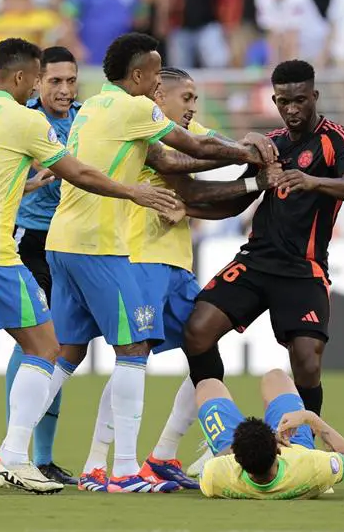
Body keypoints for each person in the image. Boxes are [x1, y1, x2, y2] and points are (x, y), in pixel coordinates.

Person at [0, 37, 179, 496]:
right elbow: (82, 173)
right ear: (18, 77)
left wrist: (25, 184)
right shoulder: (26, 119)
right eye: (35, 78)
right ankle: (13, 457)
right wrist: (135, 192)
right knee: (46, 348)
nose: (36, 88)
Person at [40, 33, 274, 494]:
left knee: (204, 356)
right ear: (154, 91)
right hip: (140, 256)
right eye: (185, 97)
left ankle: (162, 456)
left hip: (173, 265)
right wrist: (252, 173)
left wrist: (252, 162)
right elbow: (194, 191)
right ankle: (98, 463)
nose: (191, 106)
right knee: (133, 357)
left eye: (195, 99)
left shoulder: (166, 122)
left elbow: (211, 154)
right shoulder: (142, 124)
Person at [182, 60, 344, 467]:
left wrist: (313, 181)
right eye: (284, 101)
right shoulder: (270, 144)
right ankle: (217, 439)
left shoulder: (334, 139)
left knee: (306, 359)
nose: (293, 109)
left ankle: (302, 444)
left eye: (301, 100)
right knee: (197, 330)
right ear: (274, 101)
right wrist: (187, 209)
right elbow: (238, 201)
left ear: (314, 97)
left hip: (303, 268)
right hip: (256, 261)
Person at [0, 46, 83, 486]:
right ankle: (14, 450)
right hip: (31, 240)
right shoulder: (21, 119)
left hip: (75, 241)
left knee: (61, 346)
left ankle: (38, 455)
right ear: (37, 81)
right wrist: (34, 183)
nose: (64, 89)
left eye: (70, 80)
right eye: (55, 81)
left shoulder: (86, 118)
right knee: (37, 342)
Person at [196, 369, 344, 499]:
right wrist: (310, 417)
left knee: (207, 386)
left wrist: (240, 446)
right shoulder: (314, 467)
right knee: (276, 377)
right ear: (278, 449)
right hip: (297, 446)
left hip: (244, 450)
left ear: (236, 458)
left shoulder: (214, 477)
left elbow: (211, 466)